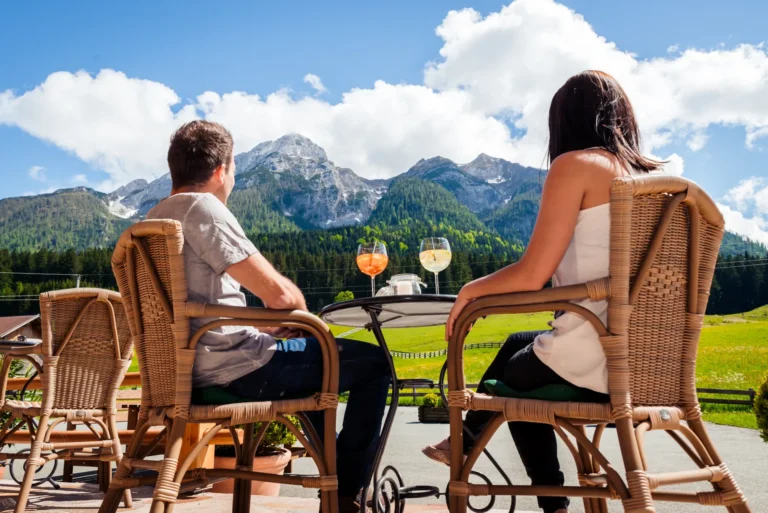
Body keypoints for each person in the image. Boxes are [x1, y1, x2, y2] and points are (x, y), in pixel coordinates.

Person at [422, 70, 664, 513]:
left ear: (563, 122)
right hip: (649, 362)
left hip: (595, 359)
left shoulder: (577, 166)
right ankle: (472, 435)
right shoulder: (653, 182)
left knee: (510, 388)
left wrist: (469, 292)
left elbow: (533, 273)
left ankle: (544, 496)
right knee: (519, 349)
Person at [147, 120, 390, 513]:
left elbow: (197, 308)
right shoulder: (203, 207)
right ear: (221, 170)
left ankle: (334, 476)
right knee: (375, 363)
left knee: (314, 351)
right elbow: (280, 295)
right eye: (234, 172)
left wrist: (266, 326)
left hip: (184, 368)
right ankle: (346, 495)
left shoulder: (149, 221)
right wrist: (297, 316)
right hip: (237, 371)